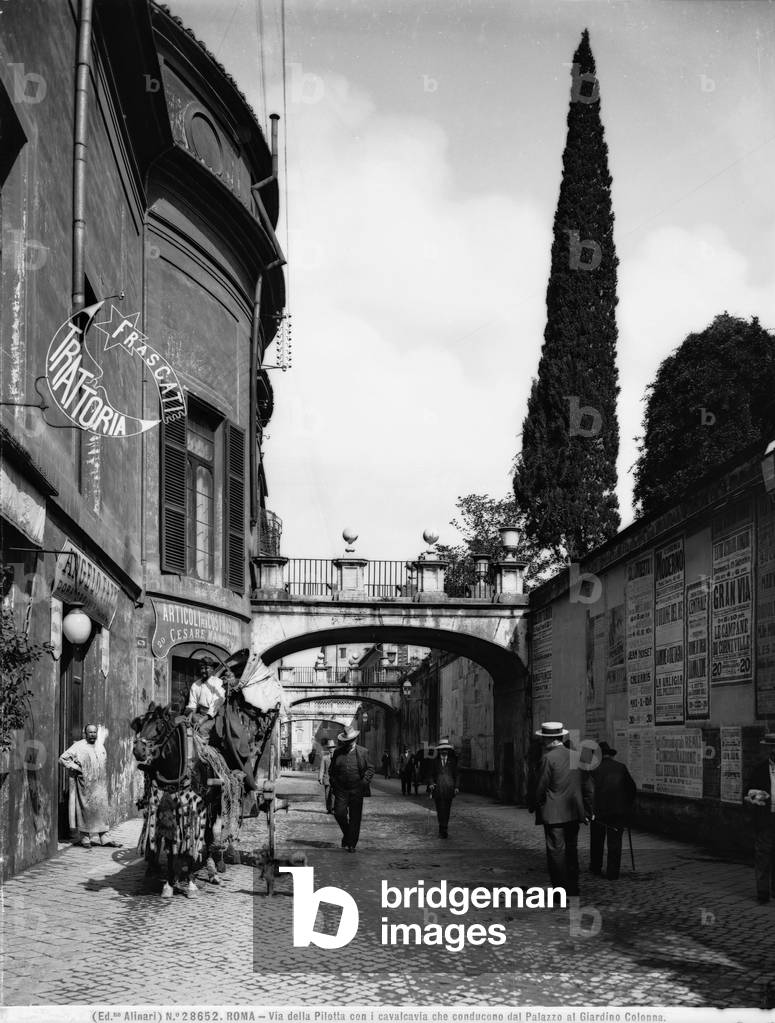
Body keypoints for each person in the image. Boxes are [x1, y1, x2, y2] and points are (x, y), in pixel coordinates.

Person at [533, 721, 593, 896]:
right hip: (574, 812)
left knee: (556, 853)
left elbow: (540, 787)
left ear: (549, 739)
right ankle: (573, 887)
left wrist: (534, 804)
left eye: (544, 739)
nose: (543, 742)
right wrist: (589, 810)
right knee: (572, 850)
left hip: (553, 815)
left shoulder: (548, 758)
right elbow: (588, 786)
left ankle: (560, 891)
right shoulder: (577, 756)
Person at [58, 724, 121, 849]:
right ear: (85, 734)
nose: (92, 735)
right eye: (90, 732)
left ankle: (104, 837)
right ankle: (85, 838)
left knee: (102, 810)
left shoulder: (100, 746)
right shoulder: (78, 746)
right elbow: (62, 759)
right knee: (85, 810)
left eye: (94, 732)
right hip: (85, 784)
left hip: (100, 785)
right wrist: (76, 768)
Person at [589, 740, 636, 880]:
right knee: (614, 842)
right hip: (617, 811)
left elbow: (587, 790)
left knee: (597, 840)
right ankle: (613, 872)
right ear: (610, 755)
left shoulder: (592, 769)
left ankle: (596, 867)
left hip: (598, 811)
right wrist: (627, 805)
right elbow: (631, 788)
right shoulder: (621, 767)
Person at [329, 724, 375, 852]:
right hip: (341, 789)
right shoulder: (338, 752)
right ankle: (348, 834)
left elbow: (371, 769)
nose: (348, 743)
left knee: (355, 817)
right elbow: (331, 771)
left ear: (355, 740)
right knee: (339, 813)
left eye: (350, 741)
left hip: (357, 789)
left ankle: (352, 844)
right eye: (346, 741)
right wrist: (334, 784)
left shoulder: (363, 752)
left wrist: (364, 783)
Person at [744, 732, 775, 903]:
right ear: (769, 749)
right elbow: (747, 794)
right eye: (772, 747)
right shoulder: (760, 770)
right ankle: (762, 893)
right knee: (763, 855)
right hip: (766, 819)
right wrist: (759, 797)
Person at [186, 658, 225, 739]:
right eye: (202, 668)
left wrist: (202, 720)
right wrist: (189, 716)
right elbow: (192, 704)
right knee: (184, 725)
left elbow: (215, 706)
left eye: (207, 668)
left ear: (212, 669)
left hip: (213, 717)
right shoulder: (195, 685)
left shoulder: (218, 683)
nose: (204, 671)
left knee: (201, 729)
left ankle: (205, 750)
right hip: (199, 715)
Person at [427, 737, 459, 838]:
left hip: (449, 789)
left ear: (448, 750)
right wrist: (431, 783)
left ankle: (445, 828)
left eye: (446, 749)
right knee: (440, 810)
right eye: (442, 749)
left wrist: (456, 787)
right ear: (439, 750)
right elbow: (430, 775)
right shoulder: (434, 762)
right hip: (438, 789)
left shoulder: (453, 762)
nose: (444, 751)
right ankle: (442, 829)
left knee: (447, 810)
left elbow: (457, 775)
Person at [318, 739, 336, 813]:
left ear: (334, 748)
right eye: (330, 748)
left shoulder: (337, 757)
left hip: (335, 779)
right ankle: (328, 808)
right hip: (327, 778)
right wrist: (320, 778)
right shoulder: (325, 758)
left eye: (332, 747)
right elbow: (322, 769)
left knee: (334, 794)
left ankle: (333, 808)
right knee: (327, 794)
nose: (331, 749)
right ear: (328, 749)